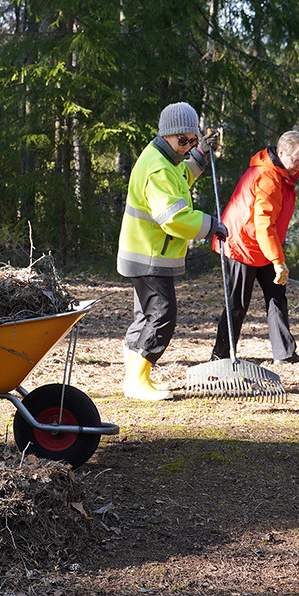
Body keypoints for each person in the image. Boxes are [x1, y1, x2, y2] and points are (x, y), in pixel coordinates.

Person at [117, 102, 227, 401]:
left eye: (193, 140)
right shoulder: (157, 167)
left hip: (145, 253)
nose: (187, 146)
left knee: (146, 317)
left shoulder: (165, 160)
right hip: (149, 255)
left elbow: (180, 180)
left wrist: (200, 155)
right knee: (162, 315)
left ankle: (137, 379)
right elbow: (174, 217)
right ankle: (137, 382)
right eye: (184, 141)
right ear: (167, 135)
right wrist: (210, 225)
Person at [209, 130, 299, 368]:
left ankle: (285, 354)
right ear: (282, 153)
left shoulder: (281, 174)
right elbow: (263, 223)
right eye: (297, 160)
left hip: (263, 244)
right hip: (241, 243)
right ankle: (221, 356)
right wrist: (278, 260)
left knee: (277, 296)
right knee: (236, 302)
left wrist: (276, 258)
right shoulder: (268, 177)